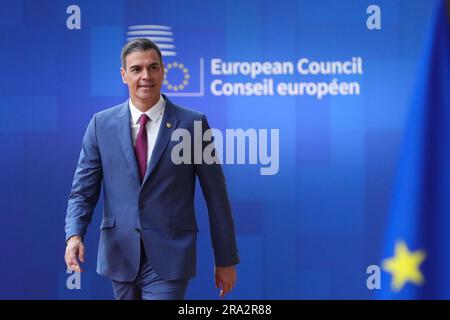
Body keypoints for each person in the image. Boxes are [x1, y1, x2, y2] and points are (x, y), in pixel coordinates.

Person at [64, 38, 239, 300]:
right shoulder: (101, 125)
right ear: (124, 75)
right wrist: (74, 234)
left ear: (163, 71)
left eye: (153, 67)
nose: (146, 76)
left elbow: (217, 197)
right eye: (136, 69)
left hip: (171, 256)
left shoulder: (193, 124)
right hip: (120, 255)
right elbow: (82, 192)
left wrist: (225, 258)